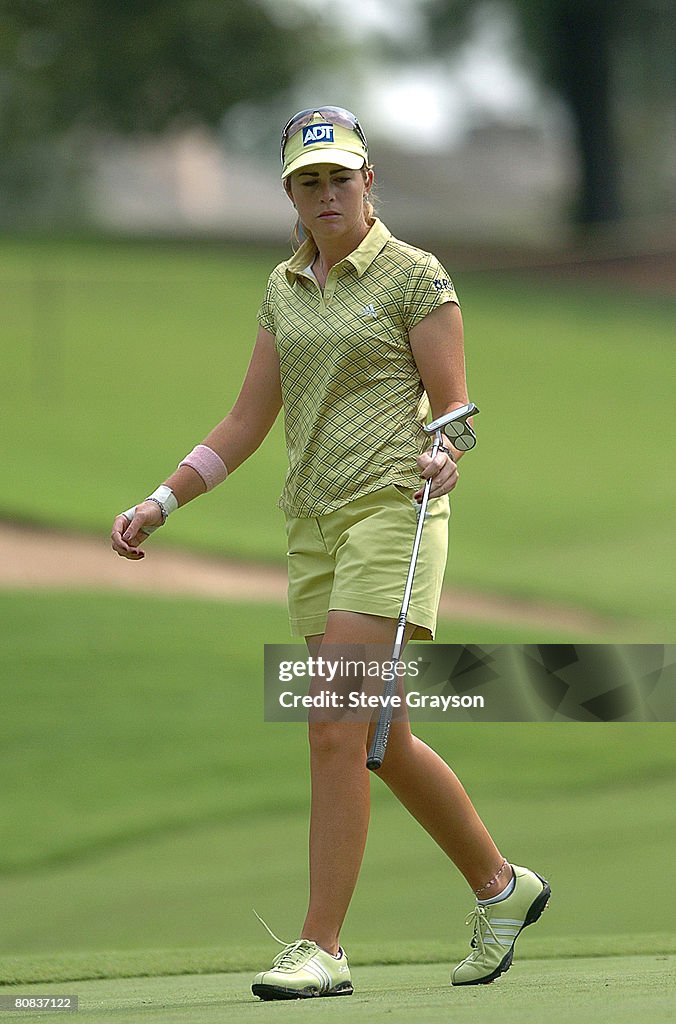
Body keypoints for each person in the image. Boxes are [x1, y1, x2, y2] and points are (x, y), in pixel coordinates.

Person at [110, 106, 550, 1000]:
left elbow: (456, 410)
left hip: (394, 510)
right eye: (308, 181)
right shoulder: (283, 288)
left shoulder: (415, 277)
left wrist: (442, 449)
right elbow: (244, 422)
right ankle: (502, 889)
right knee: (381, 740)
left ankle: (322, 948)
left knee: (333, 727)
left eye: (339, 178)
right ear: (290, 192)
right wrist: (162, 499)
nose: (325, 195)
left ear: (369, 182)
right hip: (309, 525)